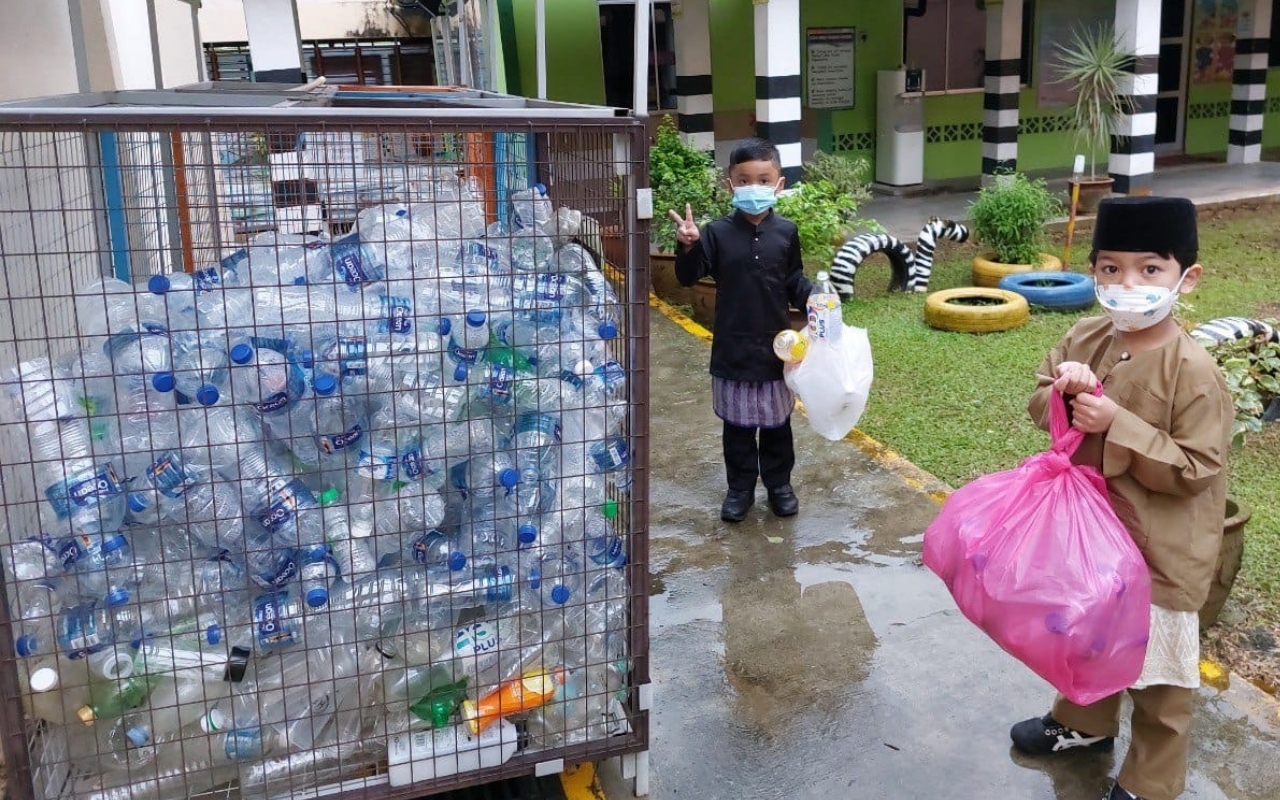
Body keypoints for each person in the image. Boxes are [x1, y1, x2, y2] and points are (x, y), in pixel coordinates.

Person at [1010, 196, 1233, 800]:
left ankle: (1151, 782)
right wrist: (1062, 390)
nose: (1127, 284)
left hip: (1160, 551)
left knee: (1158, 677)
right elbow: (1039, 402)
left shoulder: (1194, 372)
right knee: (1090, 639)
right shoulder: (1086, 334)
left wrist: (1117, 424)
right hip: (1093, 538)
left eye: (1149, 270)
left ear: (1186, 278)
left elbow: (1196, 470)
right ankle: (1084, 726)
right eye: (1111, 269)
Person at [667, 138, 813, 522]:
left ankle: (779, 486)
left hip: (778, 348)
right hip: (732, 348)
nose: (755, 186)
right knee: (738, 429)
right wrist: (686, 246)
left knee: (778, 425)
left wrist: (816, 299)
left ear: (779, 184)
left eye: (764, 179)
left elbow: (793, 278)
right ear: (730, 185)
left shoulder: (787, 231)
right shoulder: (715, 233)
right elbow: (687, 276)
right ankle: (740, 490)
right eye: (745, 179)